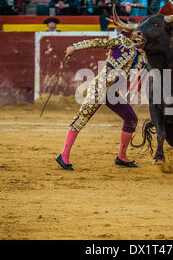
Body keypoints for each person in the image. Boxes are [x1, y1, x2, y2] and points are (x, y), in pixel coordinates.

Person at [57, 30, 148, 170]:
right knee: (81, 119)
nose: (143, 39)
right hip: (99, 87)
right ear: (134, 36)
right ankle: (64, 155)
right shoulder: (121, 41)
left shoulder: (142, 58)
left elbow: (138, 77)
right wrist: (75, 47)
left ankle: (121, 157)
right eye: (141, 36)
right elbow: (97, 42)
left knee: (131, 118)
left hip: (112, 92)